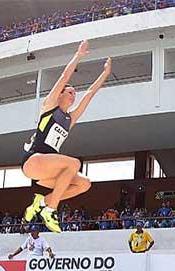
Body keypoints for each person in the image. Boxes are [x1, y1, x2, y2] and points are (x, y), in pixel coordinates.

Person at [20, 40, 112, 233]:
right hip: (33, 161)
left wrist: (105, 74)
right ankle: (50, 210)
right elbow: (64, 77)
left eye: (74, 93)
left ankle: (41, 202)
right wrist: (78, 56)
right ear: (60, 95)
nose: (73, 94)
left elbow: (89, 94)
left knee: (84, 184)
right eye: (69, 91)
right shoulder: (49, 106)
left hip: (48, 171)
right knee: (74, 163)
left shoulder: (69, 119)